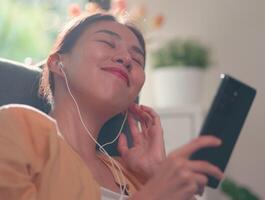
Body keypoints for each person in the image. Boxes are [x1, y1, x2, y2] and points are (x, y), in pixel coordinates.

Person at [0, 13, 223, 200]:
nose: (126, 58)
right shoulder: (16, 126)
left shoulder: (132, 174)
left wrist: (155, 174)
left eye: (137, 60)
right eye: (107, 42)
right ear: (58, 63)